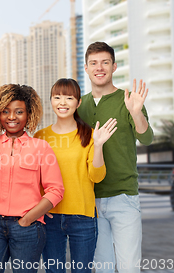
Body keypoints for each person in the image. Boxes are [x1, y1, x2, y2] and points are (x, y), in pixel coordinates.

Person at [0, 84, 64, 273]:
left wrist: (28, 219)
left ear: (29, 115)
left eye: (19, 112)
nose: (12, 117)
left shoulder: (41, 147)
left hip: (28, 227)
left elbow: (56, 190)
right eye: (6, 111)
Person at [78, 42, 154, 273]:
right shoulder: (79, 105)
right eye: (94, 63)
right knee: (102, 268)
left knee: (129, 267)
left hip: (124, 196)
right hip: (91, 200)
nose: (99, 67)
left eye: (105, 62)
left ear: (114, 66)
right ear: (86, 68)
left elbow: (147, 138)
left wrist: (135, 112)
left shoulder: (129, 100)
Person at [34, 78, 117, 273]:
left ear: (78, 103)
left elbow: (97, 177)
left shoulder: (89, 135)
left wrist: (98, 145)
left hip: (83, 216)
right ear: (51, 101)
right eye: (57, 97)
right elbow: (34, 180)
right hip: (50, 216)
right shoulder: (40, 137)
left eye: (69, 98)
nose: (62, 102)